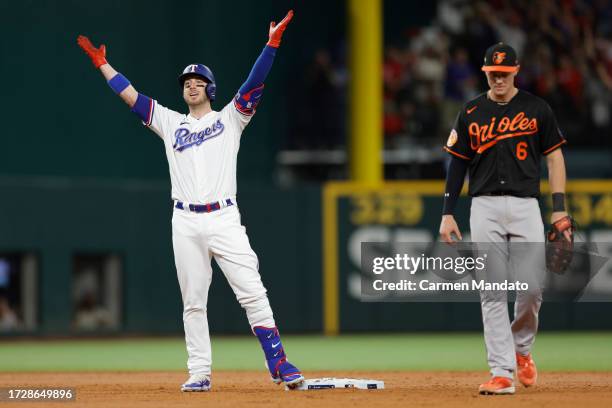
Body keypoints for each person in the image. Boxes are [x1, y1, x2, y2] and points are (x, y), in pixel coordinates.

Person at [77, 10, 304, 392]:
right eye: (188, 82)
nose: (192, 86)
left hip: (224, 219)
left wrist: (272, 44)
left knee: (252, 290)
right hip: (184, 221)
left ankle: (278, 361)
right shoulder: (170, 123)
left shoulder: (232, 119)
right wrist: (103, 64)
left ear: (210, 89)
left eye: (199, 82)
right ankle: (199, 372)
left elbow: (254, 81)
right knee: (193, 302)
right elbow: (131, 97)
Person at [439, 43, 570, 395]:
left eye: (504, 73)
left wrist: (559, 208)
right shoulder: (471, 111)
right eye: (493, 73)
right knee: (493, 292)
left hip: (527, 204)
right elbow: (457, 164)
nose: (498, 78)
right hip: (483, 206)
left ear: (515, 72)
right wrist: (448, 212)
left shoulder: (536, 108)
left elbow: (555, 159)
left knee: (532, 288)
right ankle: (501, 371)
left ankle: (521, 350)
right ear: (485, 73)